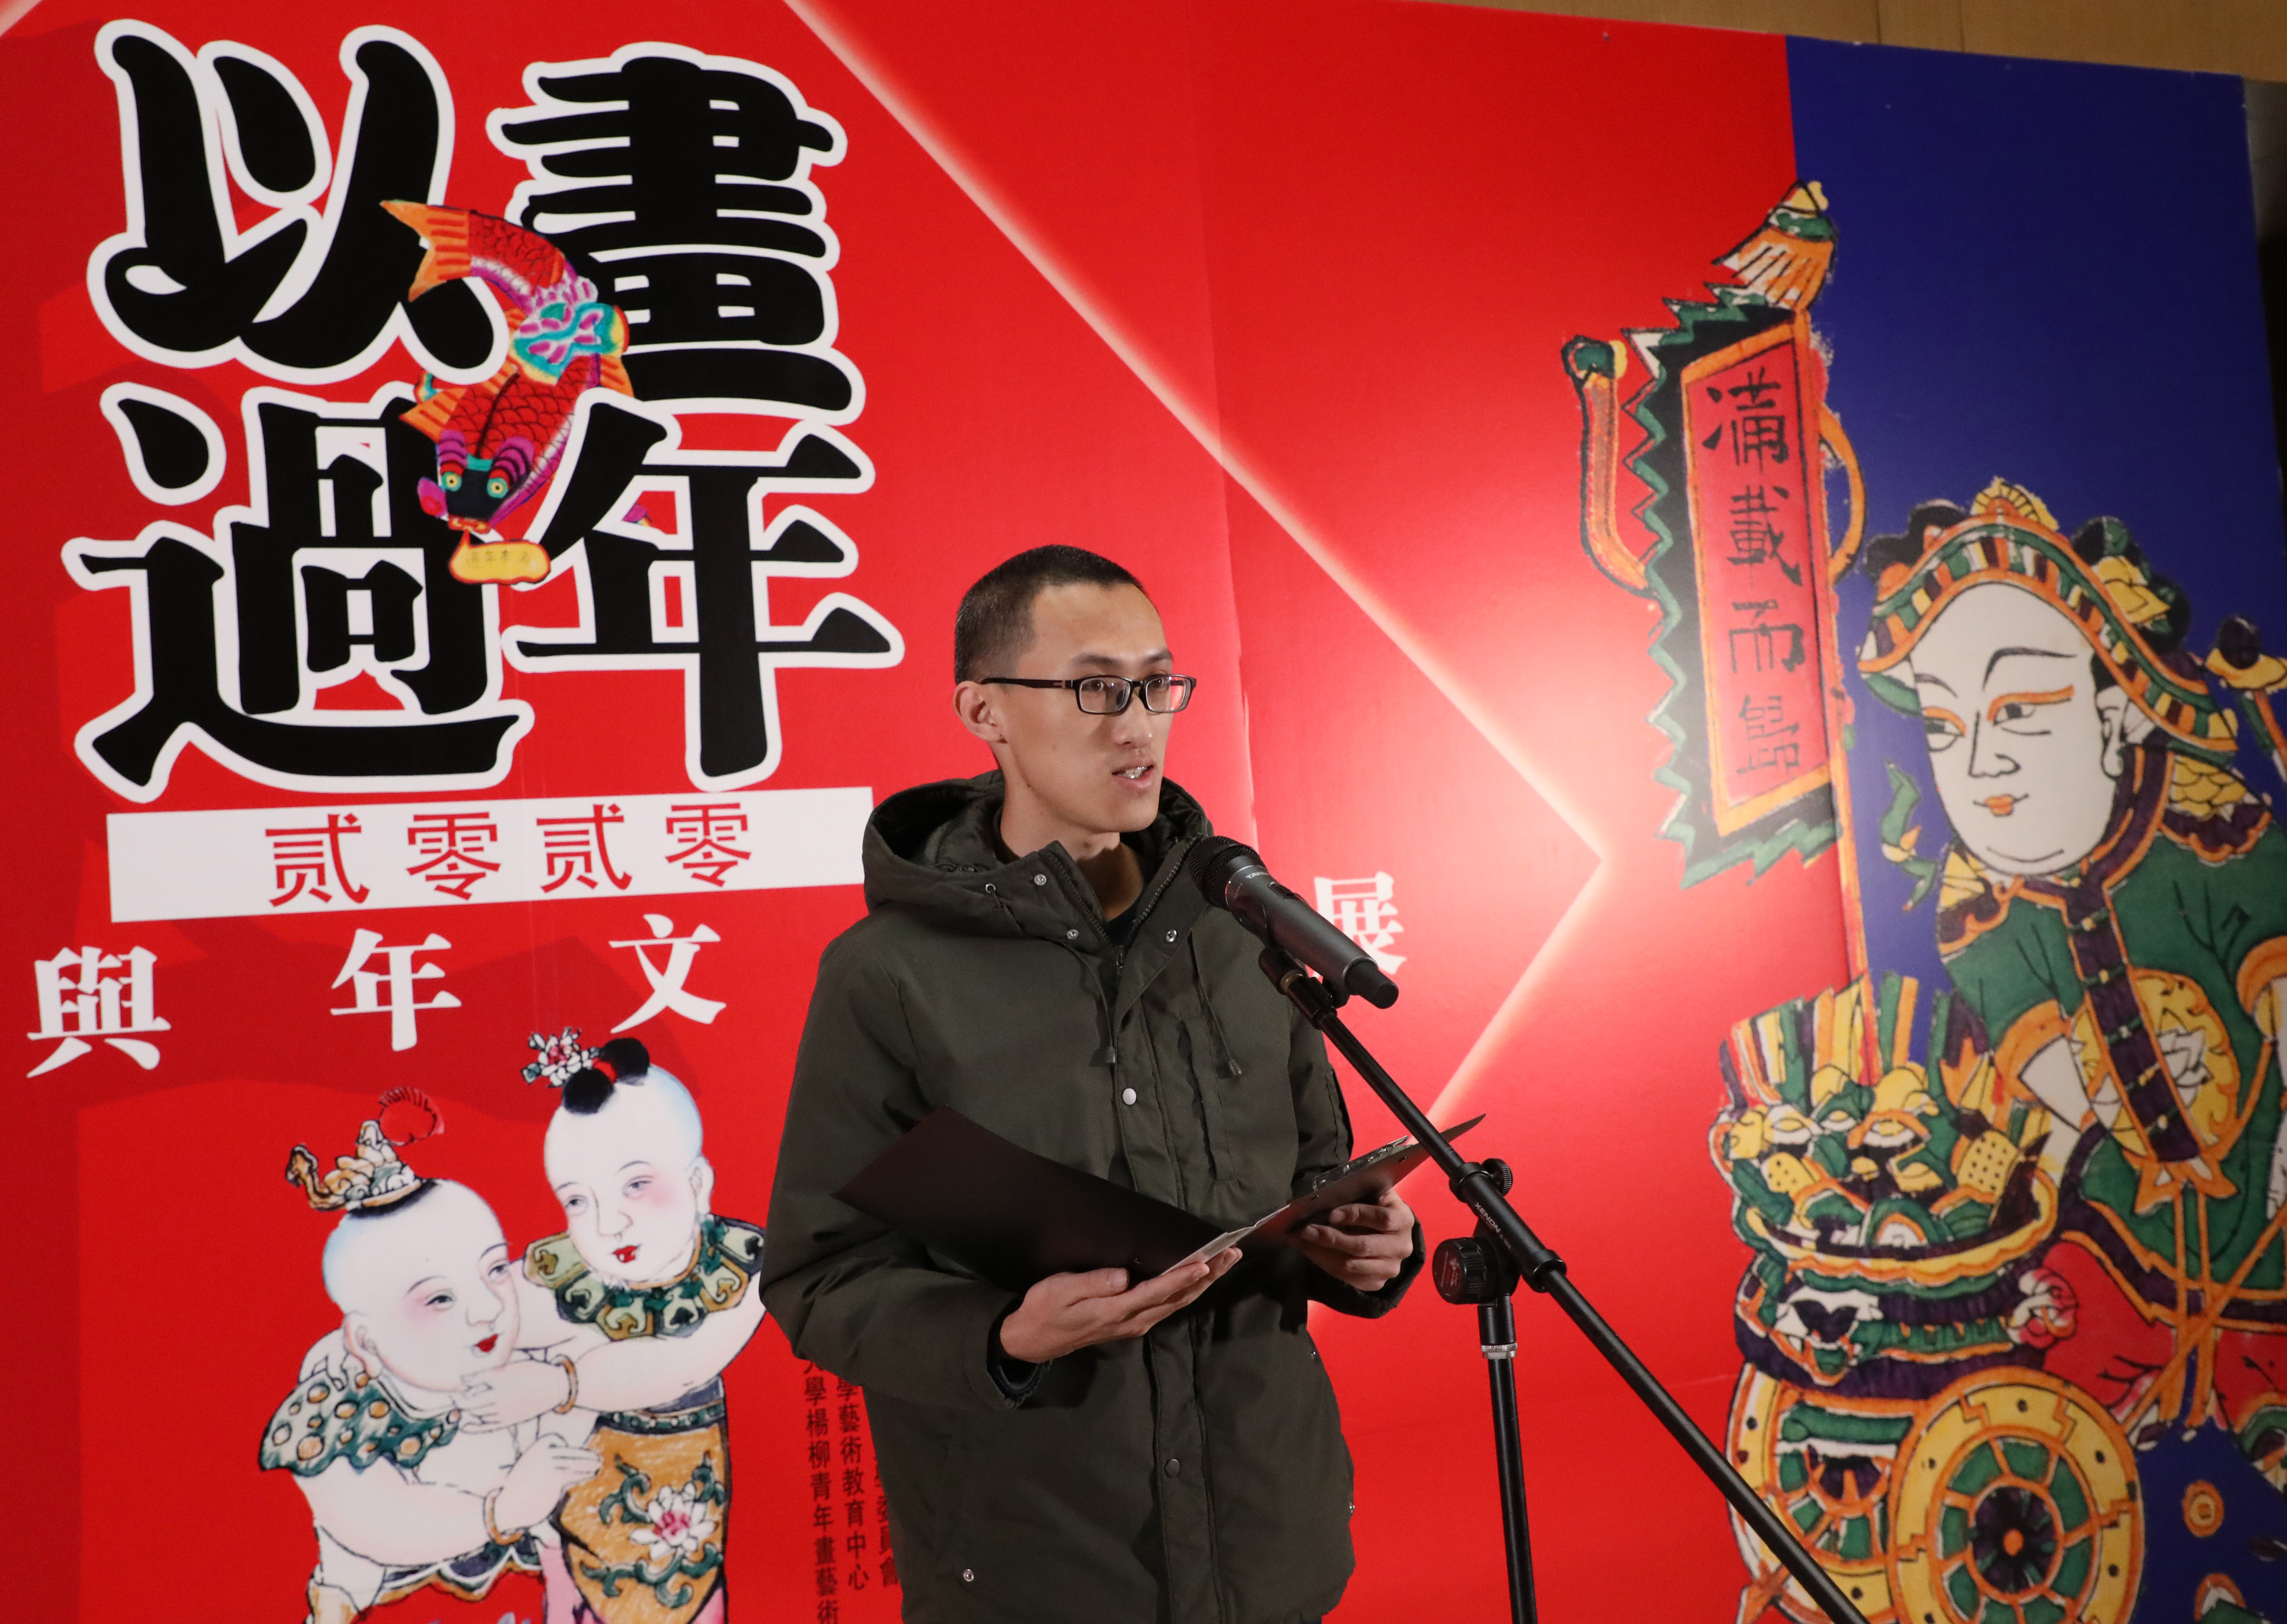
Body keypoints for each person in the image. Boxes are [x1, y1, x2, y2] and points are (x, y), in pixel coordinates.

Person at [760, 545, 1423, 1623]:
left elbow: (1313, 1178)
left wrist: (1364, 1248)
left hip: (1269, 1547)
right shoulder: (889, 974)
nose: (1137, 726)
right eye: (1095, 689)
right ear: (984, 709)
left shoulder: (1238, 932)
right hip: (1035, 1563)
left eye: (1157, 686)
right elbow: (820, 1279)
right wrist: (1007, 1337)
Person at [1859, 479, 2287, 1434]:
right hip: (2116, 1239)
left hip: (2267, 1203)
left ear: (2117, 709)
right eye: (1943, 726)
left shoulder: (2202, 819)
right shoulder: (1976, 900)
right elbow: (2043, 1062)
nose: (1978, 764)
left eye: (2017, 710)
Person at [461, 1033, 767, 1624]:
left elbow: (680, 1364)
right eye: (578, 1201)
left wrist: (557, 1385)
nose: (608, 1223)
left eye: (636, 1185)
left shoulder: (741, 1267)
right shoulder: (570, 1275)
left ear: (698, 1184)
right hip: (575, 1527)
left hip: (688, 1532)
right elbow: (484, 1316)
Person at [263, 1104, 600, 1624]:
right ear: (366, 1343)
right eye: (440, 1299)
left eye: (495, 1270)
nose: (486, 1309)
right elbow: (380, 1523)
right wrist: (502, 1511)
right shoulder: (339, 1411)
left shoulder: (527, 1372)